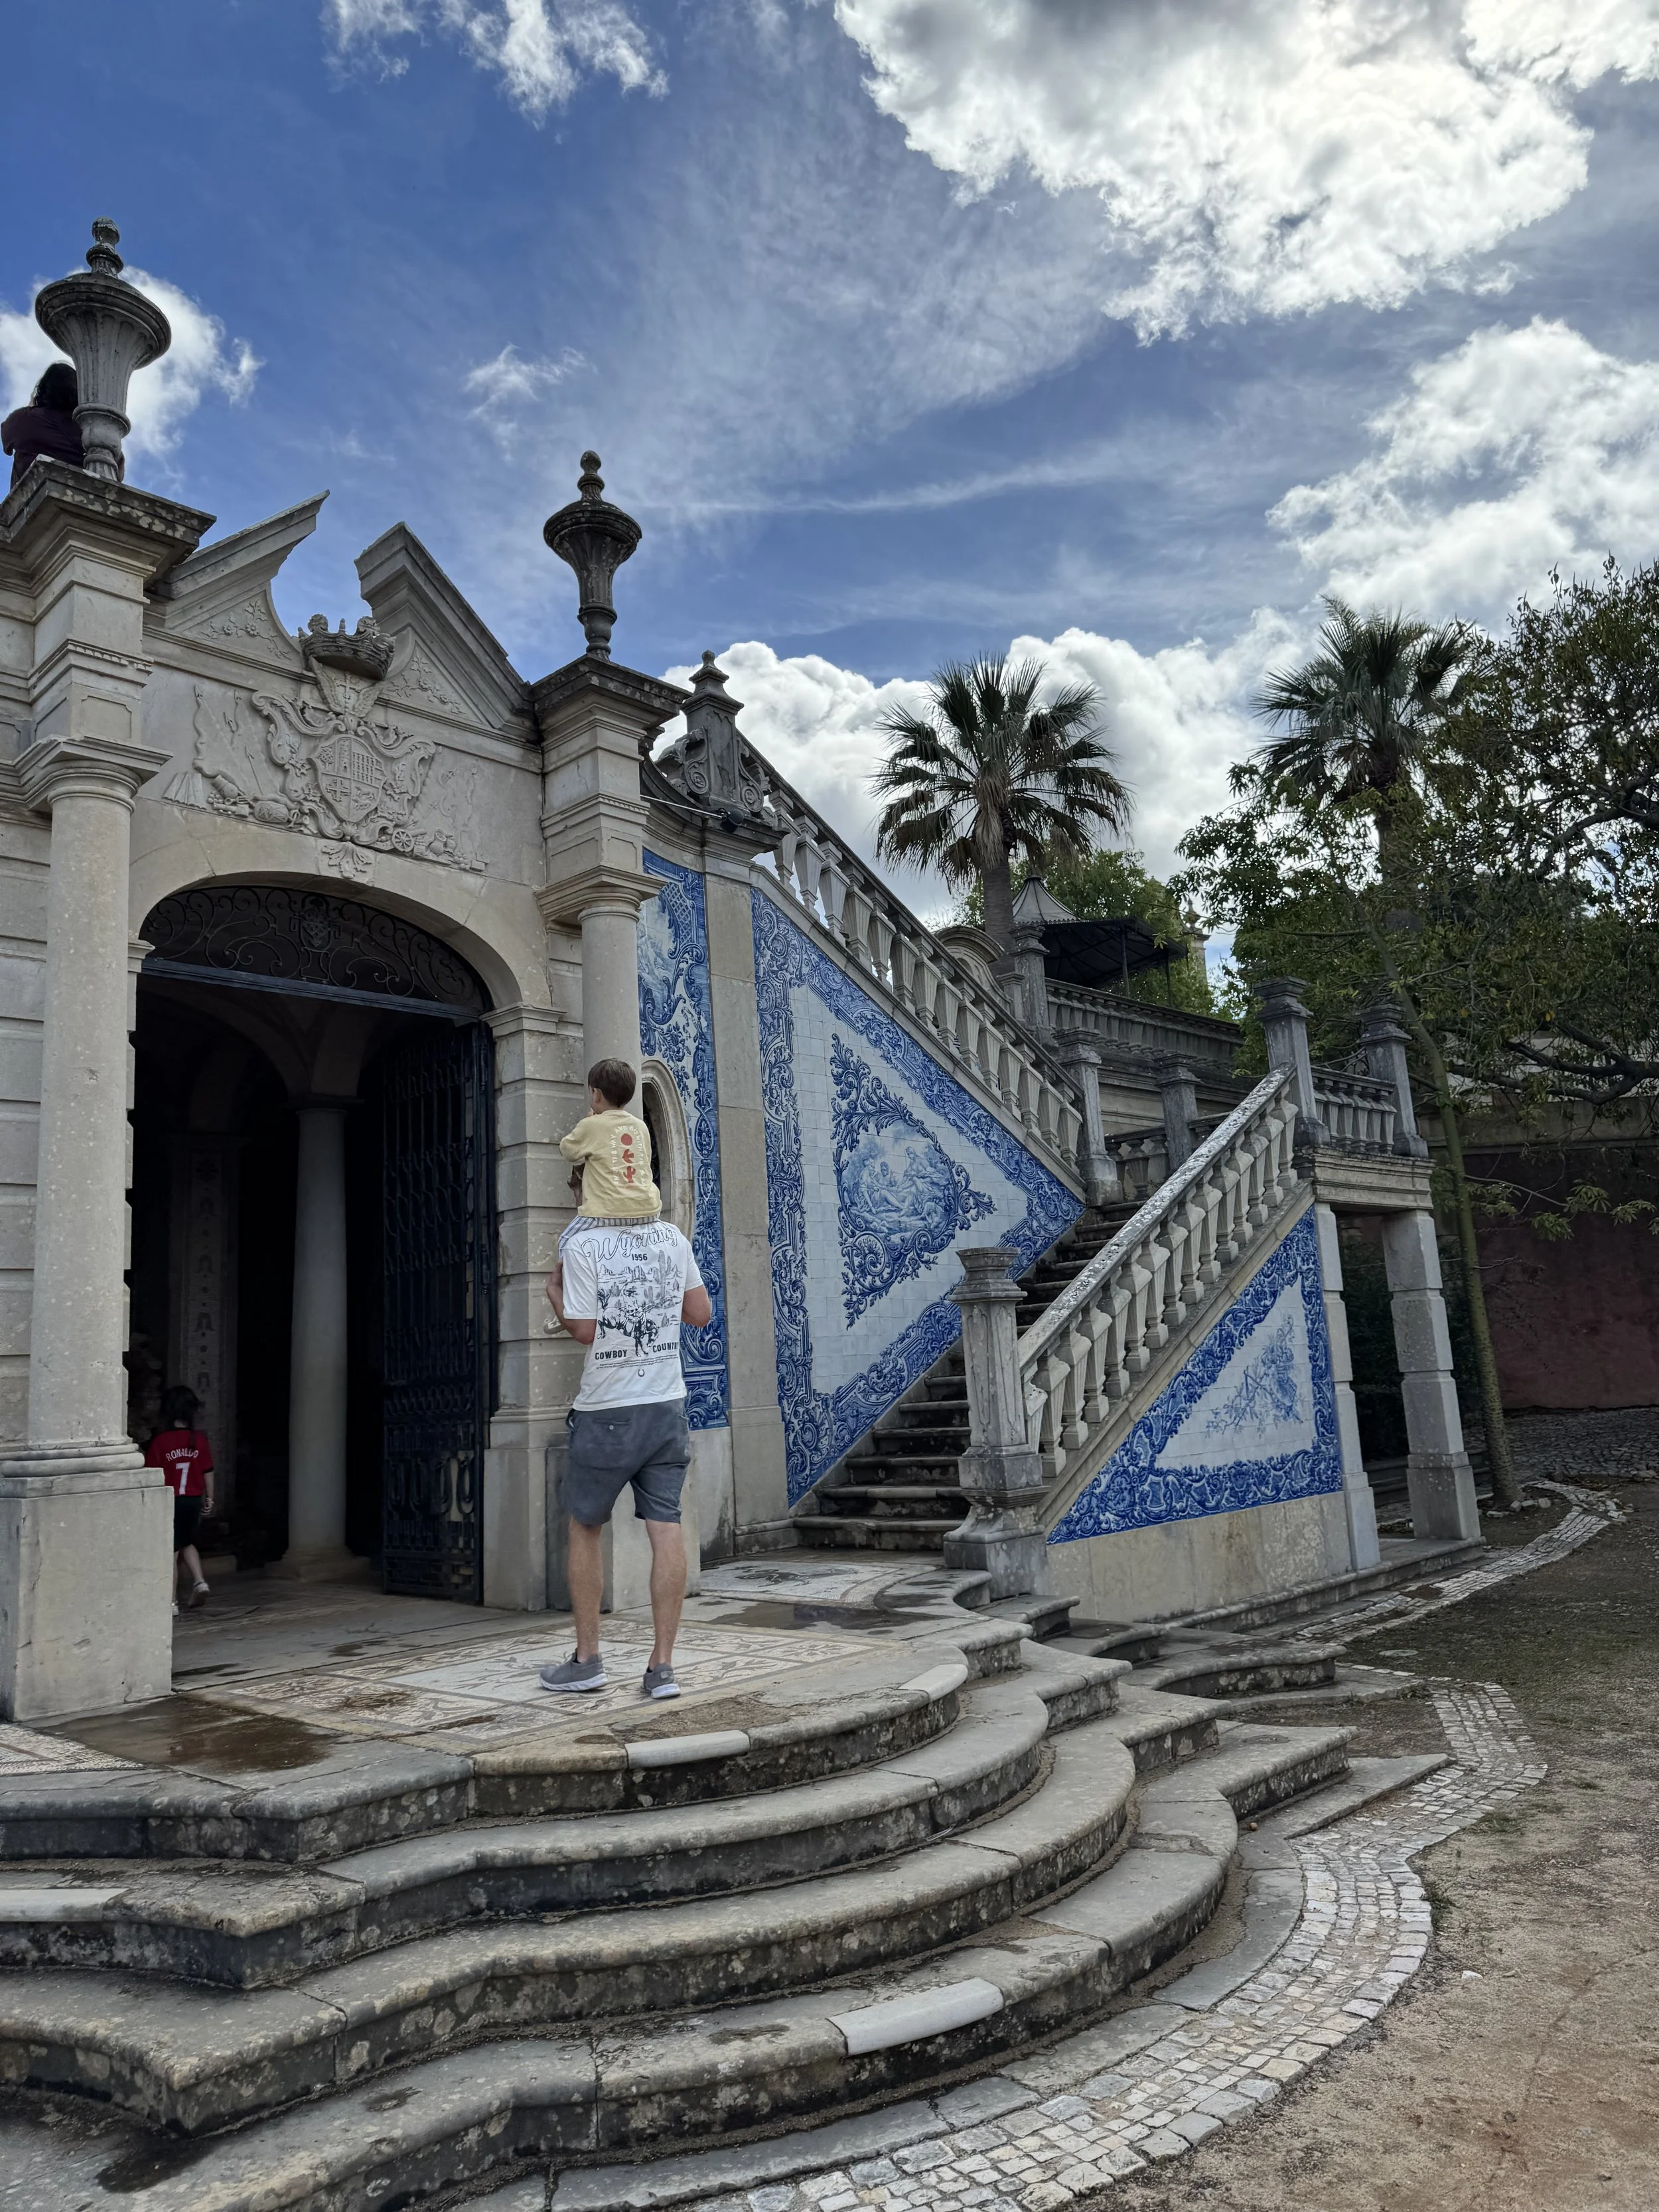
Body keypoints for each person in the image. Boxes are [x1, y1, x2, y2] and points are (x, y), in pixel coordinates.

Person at [541, 1095, 711, 1700]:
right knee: (666, 1529)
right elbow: (701, 1313)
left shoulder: (581, 1246)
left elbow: (586, 1331)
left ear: (588, 1183)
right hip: (667, 1405)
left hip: (608, 1409)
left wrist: (556, 1298)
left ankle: (588, 1659)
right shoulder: (671, 1237)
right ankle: (662, 1667)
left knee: (585, 1527)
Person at [558, 1057, 661, 1219]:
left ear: (596, 1094)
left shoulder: (591, 1125)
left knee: (570, 1235)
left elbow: (567, 1150)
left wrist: (586, 1123)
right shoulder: (640, 1126)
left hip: (606, 1212)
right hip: (648, 1210)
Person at [144, 1385, 215, 1615]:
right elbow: (208, 1470)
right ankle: (199, 1581)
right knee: (187, 1542)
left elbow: (152, 1474)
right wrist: (210, 1498)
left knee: (172, 1550)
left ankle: (171, 1602)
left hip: (171, 1500)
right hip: (193, 1499)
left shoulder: (161, 1442)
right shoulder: (199, 1440)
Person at [2, 363, 84, 488]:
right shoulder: (86, 427)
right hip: (80, 491)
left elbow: (7, 442)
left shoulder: (25, 418)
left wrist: (31, 408)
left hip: (33, 495)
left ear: (44, 389)